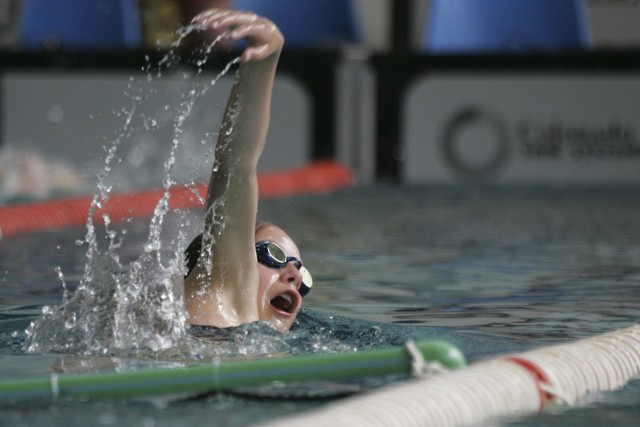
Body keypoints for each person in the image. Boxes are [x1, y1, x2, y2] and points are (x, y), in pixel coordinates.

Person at [183, 9, 312, 333]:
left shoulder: (262, 337)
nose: (295, 277)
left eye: (302, 273)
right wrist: (266, 60)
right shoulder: (223, 302)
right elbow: (235, 167)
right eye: (273, 255)